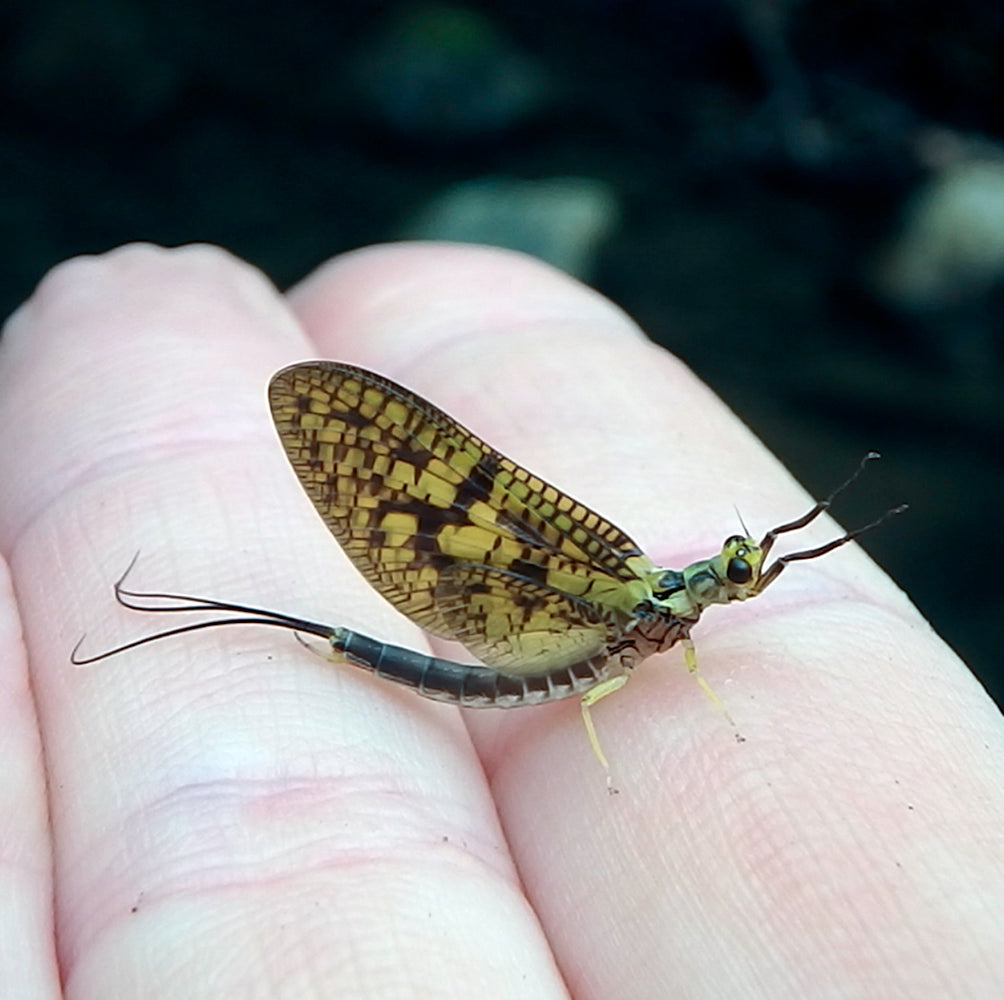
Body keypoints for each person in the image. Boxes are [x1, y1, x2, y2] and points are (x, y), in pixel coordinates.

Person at [0, 242, 999, 998]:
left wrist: (832, 515)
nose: (748, 573)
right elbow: (612, 695)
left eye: (749, 568)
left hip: (549, 658)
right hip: (505, 670)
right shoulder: (633, 596)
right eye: (742, 565)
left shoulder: (659, 611)